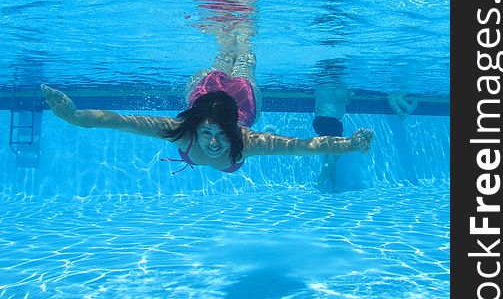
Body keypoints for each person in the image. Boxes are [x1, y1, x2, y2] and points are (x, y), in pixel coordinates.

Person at [41, 50, 374, 174]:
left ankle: (241, 39)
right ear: (195, 128)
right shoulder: (181, 129)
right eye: (207, 133)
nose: (215, 142)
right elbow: (118, 122)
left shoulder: (246, 140)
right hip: (205, 98)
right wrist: (74, 116)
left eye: (220, 134)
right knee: (221, 64)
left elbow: (302, 146)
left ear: (232, 130)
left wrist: (349, 145)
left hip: (240, 103)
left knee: (244, 61)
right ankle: (230, 44)